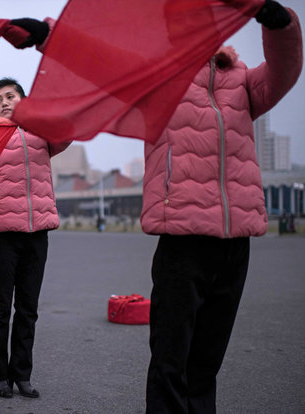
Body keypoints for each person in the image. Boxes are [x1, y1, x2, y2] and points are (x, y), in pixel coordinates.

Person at [139, 1, 302, 412]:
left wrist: (279, 20)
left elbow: (284, 69)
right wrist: (50, 36)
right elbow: (98, 61)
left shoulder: (241, 80)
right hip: (183, 239)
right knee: (170, 364)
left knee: (206, 365)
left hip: (235, 243)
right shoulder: (156, 78)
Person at [0, 78, 69, 399]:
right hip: (0, 234)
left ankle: (22, 374)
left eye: (10, 96)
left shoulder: (42, 133)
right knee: (0, 308)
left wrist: (39, 112)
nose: (3, 102)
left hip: (37, 233)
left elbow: (68, 129)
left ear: (23, 99)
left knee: (28, 309)